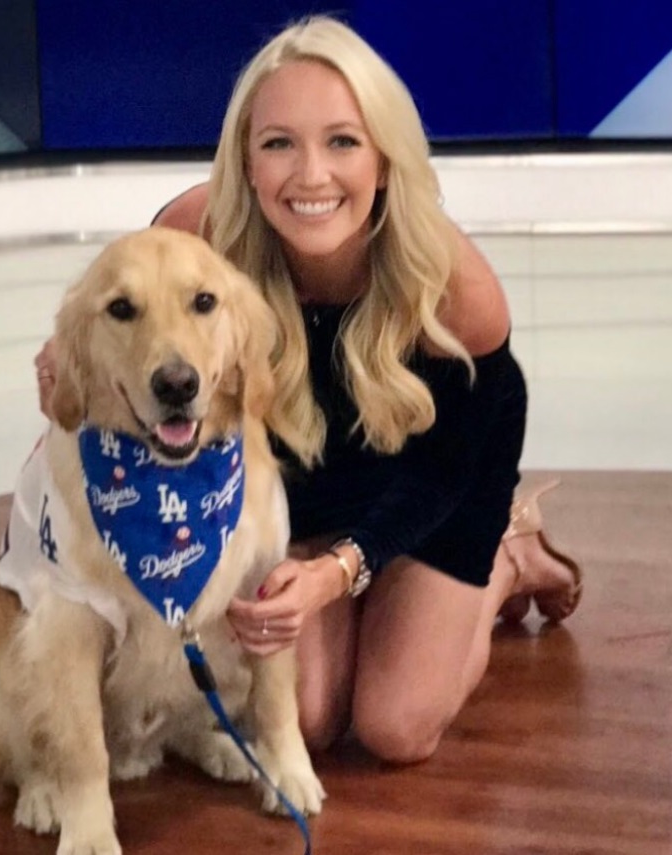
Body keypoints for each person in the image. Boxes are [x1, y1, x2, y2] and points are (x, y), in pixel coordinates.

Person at [36, 15, 582, 764]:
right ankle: (353, 577)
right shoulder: (196, 235)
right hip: (303, 478)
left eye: (342, 141)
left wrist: (336, 574)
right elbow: (110, 336)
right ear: (247, 161)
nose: (311, 175)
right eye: (278, 144)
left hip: (433, 481)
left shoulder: (455, 288)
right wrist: (64, 363)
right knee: (310, 718)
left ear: (384, 160)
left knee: (395, 727)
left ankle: (507, 556)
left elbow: (444, 471)